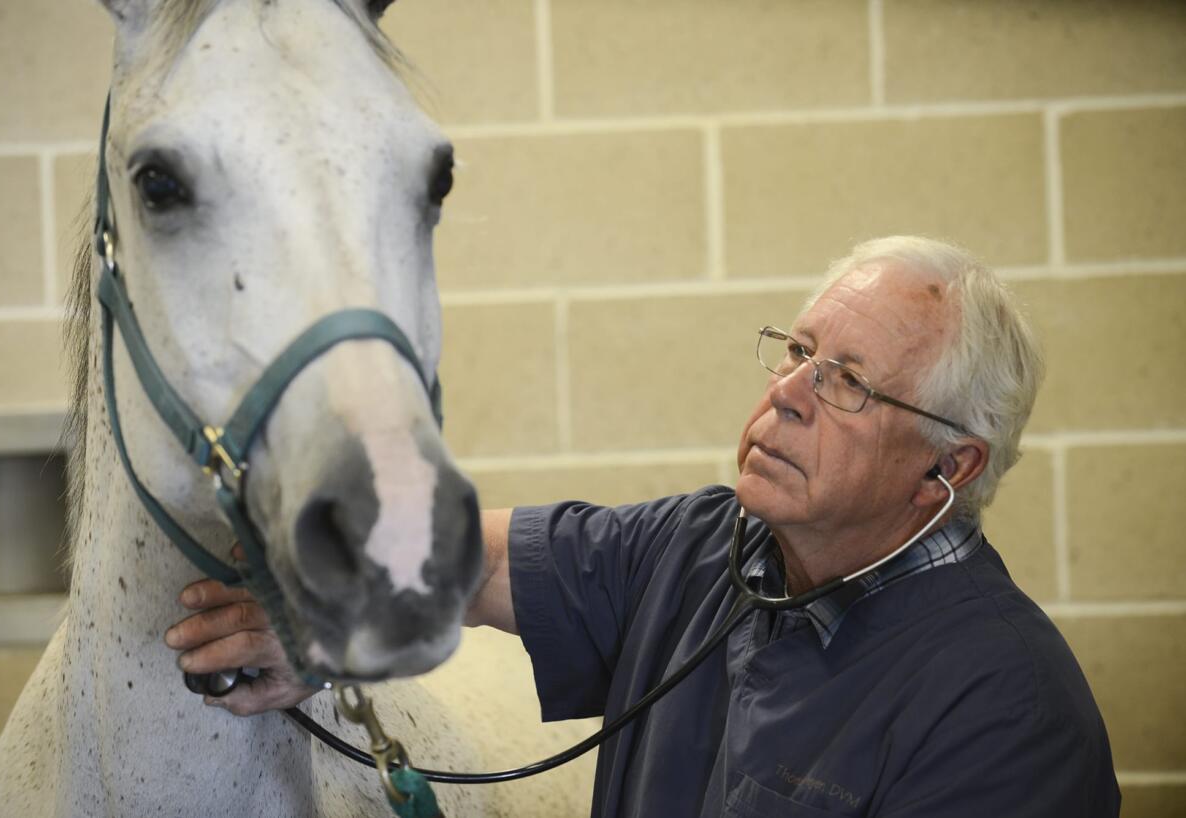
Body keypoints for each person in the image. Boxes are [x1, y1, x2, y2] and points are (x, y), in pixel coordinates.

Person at [165, 236, 1121, 816]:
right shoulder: (706, 547)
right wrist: (331, 615)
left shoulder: (1007, 712)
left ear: (946, 471)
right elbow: (478, 563)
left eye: (849, 383)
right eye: (797, 353)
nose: (786, 395)